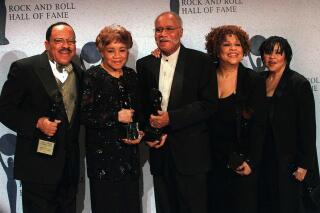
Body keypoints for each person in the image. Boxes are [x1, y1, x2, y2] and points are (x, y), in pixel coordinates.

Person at [136, 11, 216, 213]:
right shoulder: (145, 64)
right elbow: (143, 106)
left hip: (192, 155)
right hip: (160, 155)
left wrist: (171, 118)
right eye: (158, 30)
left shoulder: (201, 61)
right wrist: (149, 132)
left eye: (169, 29)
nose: (163, 34)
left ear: (180, 31)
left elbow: (208, 105)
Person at [0, 22, 82, 213]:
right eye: (59, 41)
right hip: (37, 167)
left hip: (69, 169)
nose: (66, 45)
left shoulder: (79, 73)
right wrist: (36, 123)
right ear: (47, 44)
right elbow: (4, 109)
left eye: (70, 41)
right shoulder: (25, 68)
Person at [81, 25, 144, 213]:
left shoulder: (132, 76)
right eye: (111, 51)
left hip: (130, 158)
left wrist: (140, 132)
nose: (117, 56)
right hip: (103, 162)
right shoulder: (91, 77)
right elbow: (84, 116)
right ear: (101, 51)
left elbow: (139, 112)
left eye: (122, 50)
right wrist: (115, 116)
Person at [205, 25, 266, 213]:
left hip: (241, 162)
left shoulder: (253, 80)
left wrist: (251, 161)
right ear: (216, 48)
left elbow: (260, 125)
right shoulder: (205, 76)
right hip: (211, 162)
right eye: (226, 44)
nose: (233, 49)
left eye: (237, 44)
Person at [258, 36, 319, 213]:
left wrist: (304, 164)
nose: (272, 57)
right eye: (268, 52)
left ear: (287, 56)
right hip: (265, 156)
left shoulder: (298, 83)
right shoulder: (259, 80)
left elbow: (308, 128)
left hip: (290, 161)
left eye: (278, 53)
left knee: (289, 205)